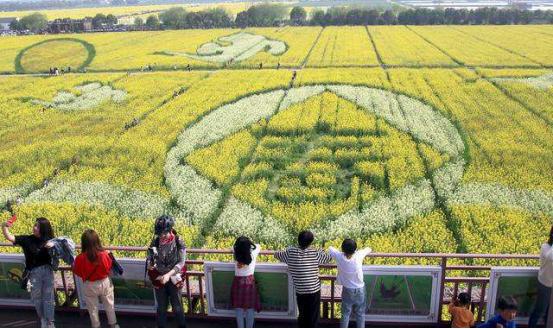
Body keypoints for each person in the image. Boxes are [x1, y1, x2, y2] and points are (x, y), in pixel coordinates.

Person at [2, 217, 56, 328]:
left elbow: (62, 249)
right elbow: (10, 237)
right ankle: (43, 319)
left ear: (43, 229)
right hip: (34, 273)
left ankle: (50, 322)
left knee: (48, 298)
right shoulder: (27, 239)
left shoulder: (51, 240)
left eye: (37, 226)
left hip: (47, 272)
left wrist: (53, 246)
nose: (34, 227)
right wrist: (4, 226)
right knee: (37, 298)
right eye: (34, 225)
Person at [275, 230, 331, 328]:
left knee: (303, 313)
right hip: (314, 290)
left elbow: (276, 254)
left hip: (300, 290)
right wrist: (321, 250)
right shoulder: (314, 252)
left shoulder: (291, 252)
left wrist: (288, 248)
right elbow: (328, 258)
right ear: (310, 243)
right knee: (313, 315)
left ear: (298, 240)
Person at [73, 229, 118, 328]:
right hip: (104, 282)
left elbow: (77, 271)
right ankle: (113, 324)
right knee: (109, 305)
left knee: (92, 308)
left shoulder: (80, 258)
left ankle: (96, 326)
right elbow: (109, 268)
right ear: (97, 241)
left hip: (89, 284)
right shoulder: (104, 254)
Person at [147, 215, 187, 328]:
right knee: (161, 308)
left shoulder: (179, 241)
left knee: (177, 307)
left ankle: (182, 326)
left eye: (164, 233)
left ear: (170, 230)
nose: (162, 236)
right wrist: (151, 265)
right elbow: (151, 257)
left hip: (174, 278)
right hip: (159, 278)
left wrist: (168, 275)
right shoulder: (155, 241)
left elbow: (181, 263)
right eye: (159, 234)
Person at [329, 239, 371, 328]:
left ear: (343, 249)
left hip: (347, 289)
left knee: (345, 313)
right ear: (355, 249)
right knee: (360, 314)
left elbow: (330, 248)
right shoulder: (358, 255)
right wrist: (359, 251)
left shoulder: (339, 256)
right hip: (360, 290)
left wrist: (341, 252)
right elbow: (368, 249)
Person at [231, 236, 261, 328]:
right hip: (249, 283)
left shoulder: (236, 253)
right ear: (248, 246)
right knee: (250, 309)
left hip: (238, 282)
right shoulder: (253, 253)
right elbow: (258, 246)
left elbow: (233, 247)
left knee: (239, 309)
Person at [529, 225, 553, 327]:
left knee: (549, 312)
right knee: (539, 310)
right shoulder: (545, 248)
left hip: (547, 283)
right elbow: (550, 258)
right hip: (545, 284)